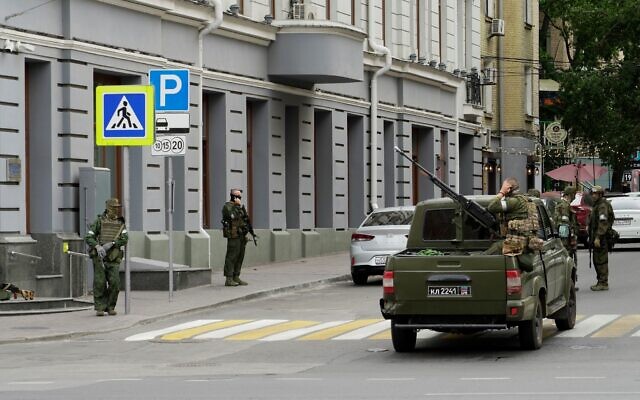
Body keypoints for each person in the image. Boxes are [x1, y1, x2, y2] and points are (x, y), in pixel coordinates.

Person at [85, 198, 129, 316]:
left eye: (117, 208)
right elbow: (88, 237)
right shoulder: (99, 221)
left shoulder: (120, 224)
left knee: (115, 283)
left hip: (113, 258)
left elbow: (125, 238)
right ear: (108, 207)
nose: (116, 210)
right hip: (99, 257)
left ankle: (110, 306)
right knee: (100, 282)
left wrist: (113, 244)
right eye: (114, 207)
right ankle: (100, 307)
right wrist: (98, 246)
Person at [486, 177, 542, 260]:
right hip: (526, 242)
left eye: (504, 187)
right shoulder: (526, 200)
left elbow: (492, 207)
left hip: (516, 242)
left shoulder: (514, 202)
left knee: (488, 253)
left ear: (509, 189)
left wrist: (502, 192)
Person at [221, 189, 252, 287]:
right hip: (233, 235)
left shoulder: (240, 207)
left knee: (240, 256)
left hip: (241, 235)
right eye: (237, 196)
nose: (239, 198)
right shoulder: (227, 207)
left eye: (240, 196)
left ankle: (236, 276)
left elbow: (244, 219)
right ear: (232, 196)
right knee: (231, 257)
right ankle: (229, 278)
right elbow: (232, 216)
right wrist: (236, 206)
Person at [588, 185, 614, 291]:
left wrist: (598, 237)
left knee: (601, 260)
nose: (593, 196)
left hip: (601, 237)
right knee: (596, 259)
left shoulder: (602, 205)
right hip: (597, 236)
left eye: (595, 194)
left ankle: (603, 282)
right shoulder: (597, 205)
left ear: (600, 194)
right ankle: (600, 281)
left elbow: (603, 222)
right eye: (592, 194)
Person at [554, 186, 579, 258]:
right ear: (570, 195)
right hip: (565, 238)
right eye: (574, 194)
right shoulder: (564, 206)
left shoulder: (564, 204)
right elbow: (564, 224)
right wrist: (571, 238)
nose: (574, 197)